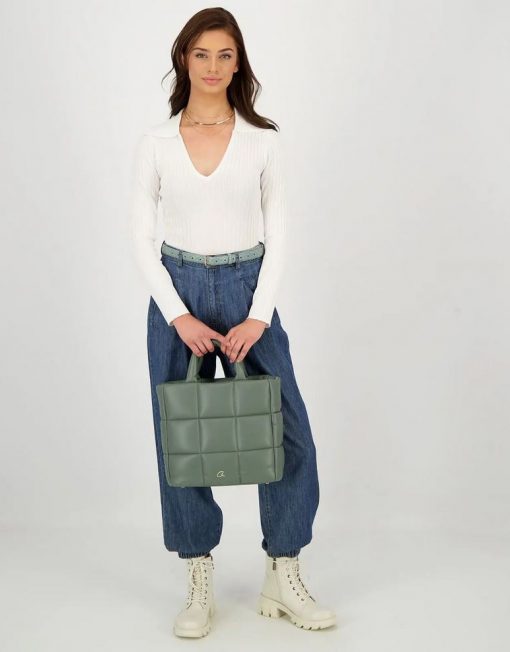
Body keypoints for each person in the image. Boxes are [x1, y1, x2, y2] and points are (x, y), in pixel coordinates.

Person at [129, 7, 336, 638]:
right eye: (201, 54)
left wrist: (258, 315)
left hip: (250, 289)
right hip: (178, 291)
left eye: (225, 55)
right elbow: (140, 237)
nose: (213, 66)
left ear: (238, 62)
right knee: (181, 438)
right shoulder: (157, 143)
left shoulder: (262, 140)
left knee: (290, 434)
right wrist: (178, 315)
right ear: (183, 59)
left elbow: (280, 231)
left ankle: (284, 572)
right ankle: (198, 578)